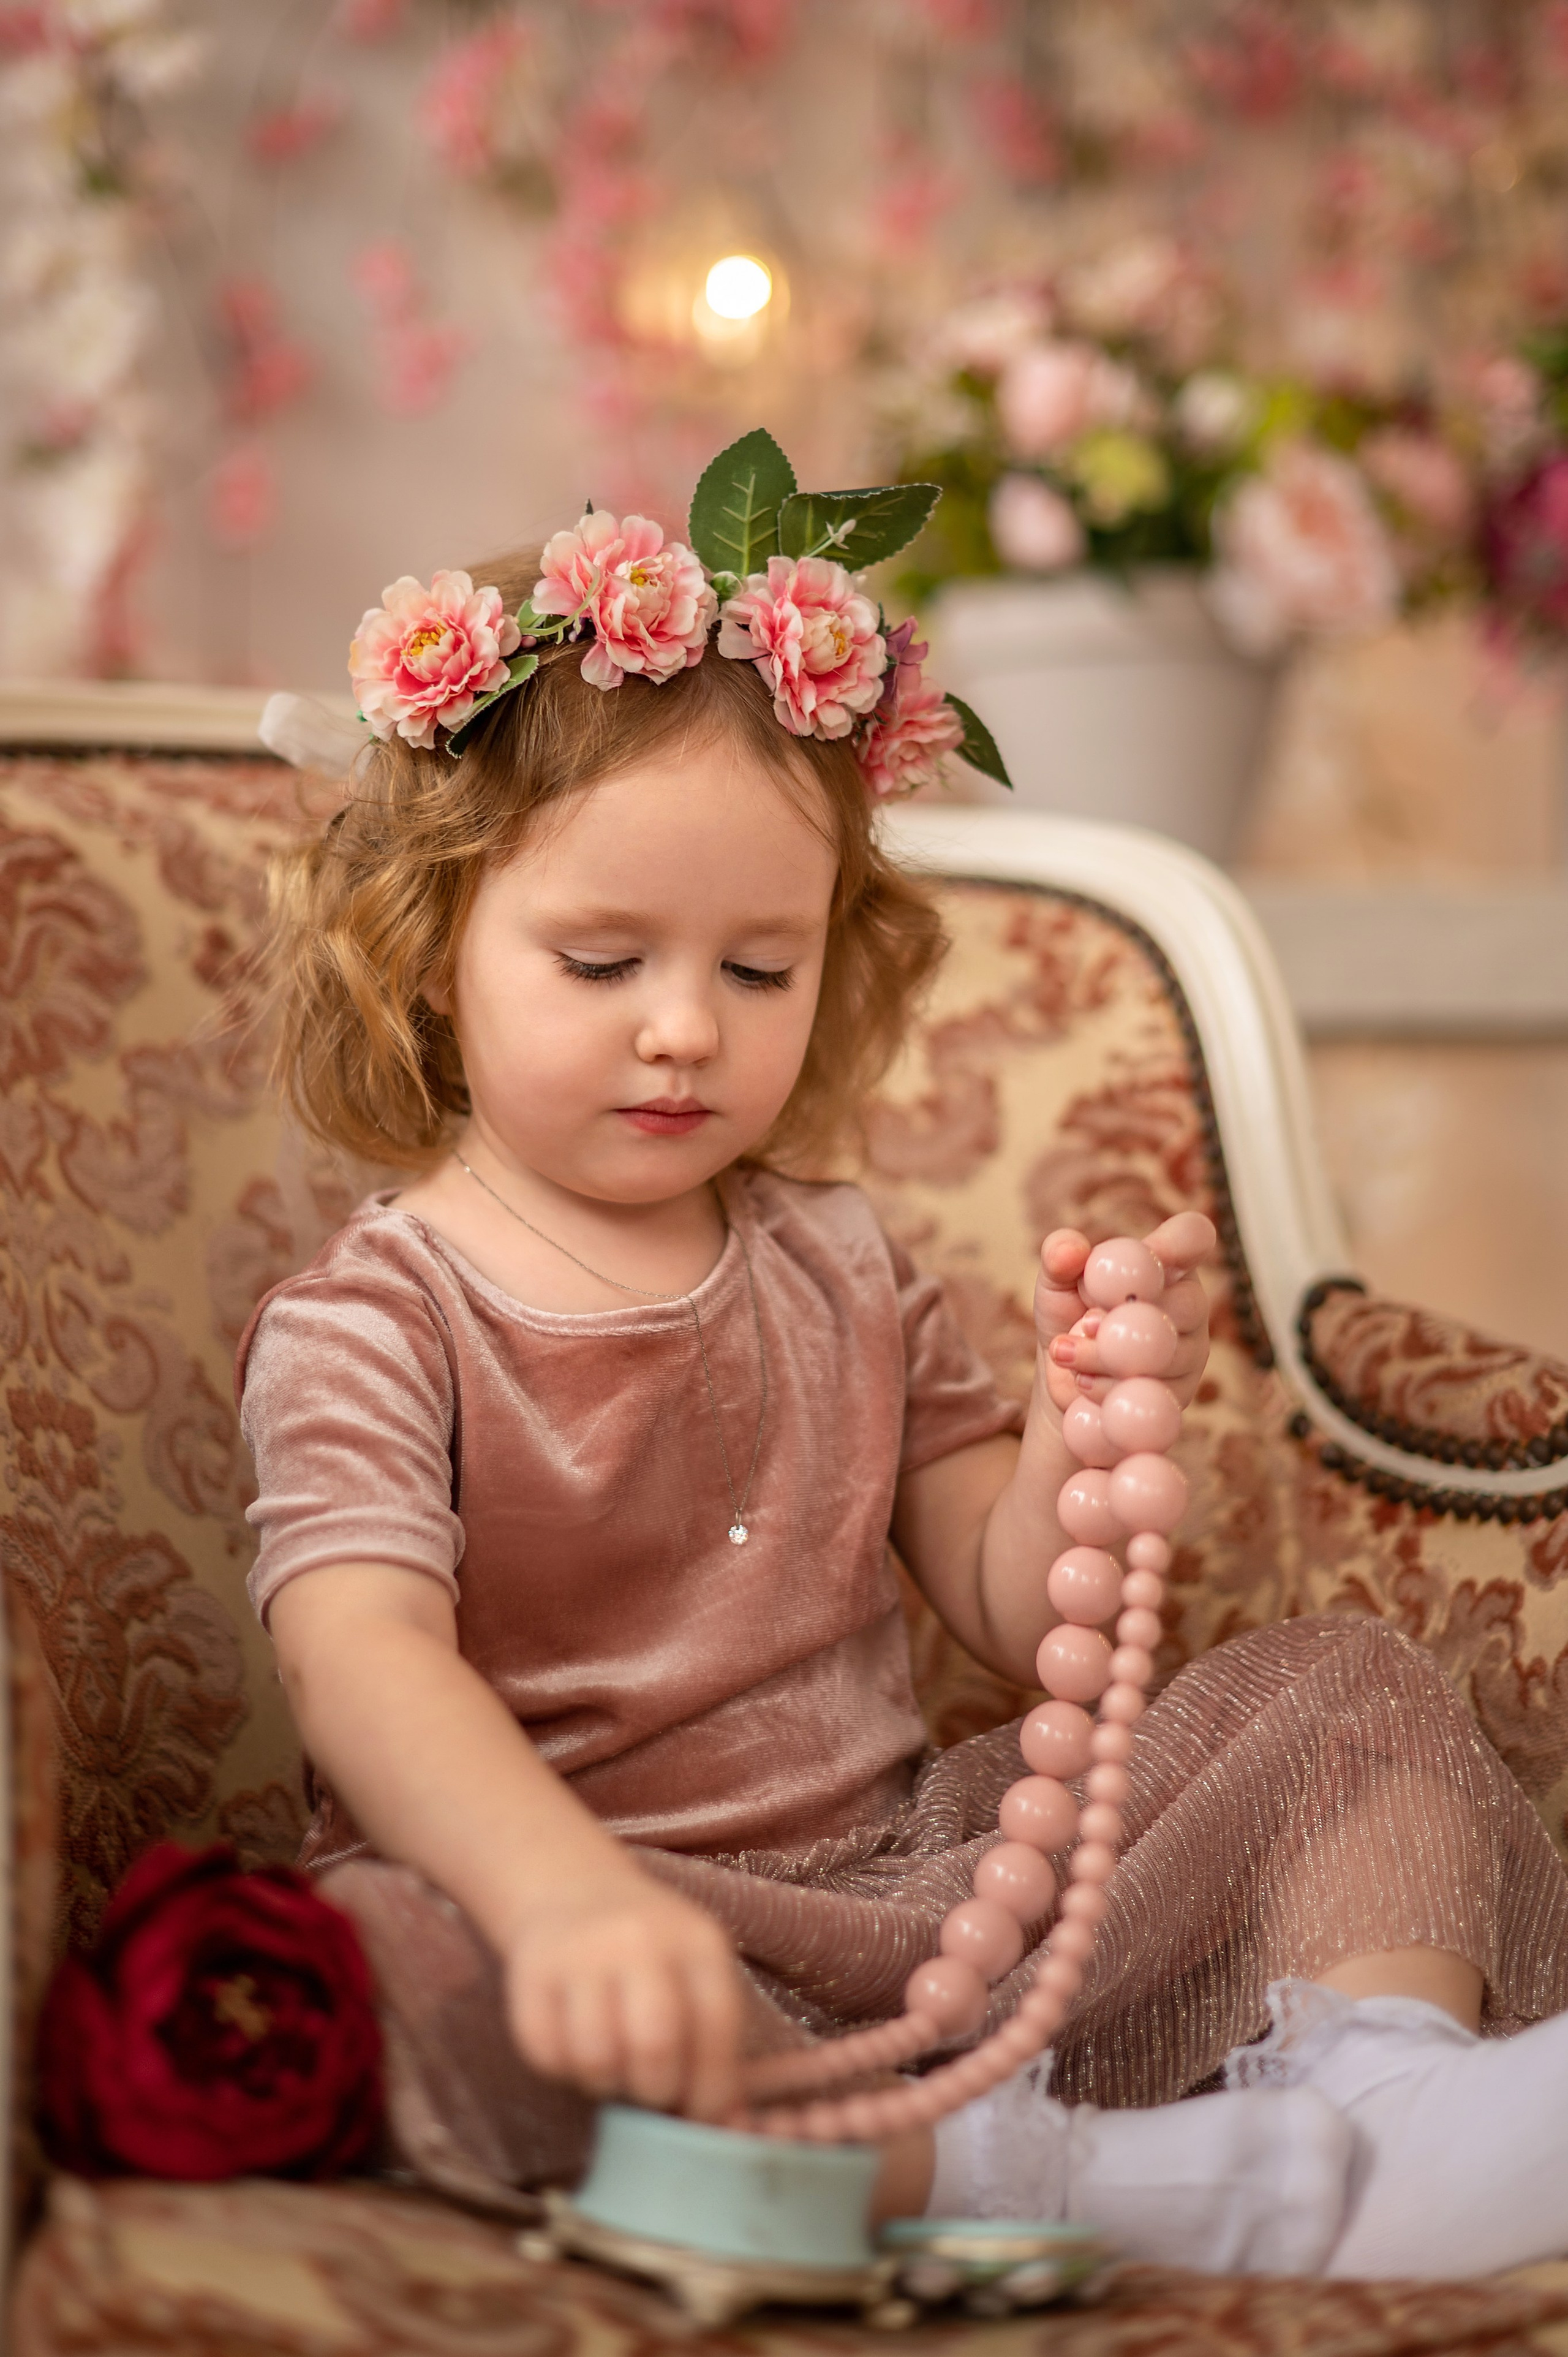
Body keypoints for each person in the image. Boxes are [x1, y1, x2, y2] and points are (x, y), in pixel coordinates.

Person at [243, 469, 1568, 2282]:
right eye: (602, 958)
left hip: (917, 1896)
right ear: (428, 950)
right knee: (381, 1962)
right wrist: (557, 1901)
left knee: (1344, 1690)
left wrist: (1091, 1441)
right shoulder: (379, 1317)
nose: (687, 1023)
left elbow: (1020, 1611)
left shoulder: (840, 1266)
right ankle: (1080, 2180)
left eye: (760, 964)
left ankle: (1378, 2099)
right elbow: (358, 1656)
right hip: (604, 1935)